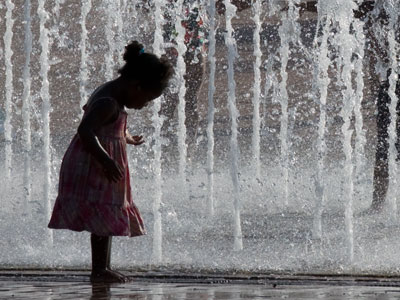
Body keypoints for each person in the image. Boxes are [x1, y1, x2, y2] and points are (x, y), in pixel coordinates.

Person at [48, 41, 173, 283]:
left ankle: (102, 267)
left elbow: (106, 126)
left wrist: (126, 137)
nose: (144, 106)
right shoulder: (108, 103)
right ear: (136, 86)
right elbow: (86, 130)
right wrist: (106, 160)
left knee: (103, 217)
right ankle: (99, 270)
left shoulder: (111, 94)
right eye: (146, 99)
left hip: (97, 163)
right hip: (94, 164)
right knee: (102, 215)